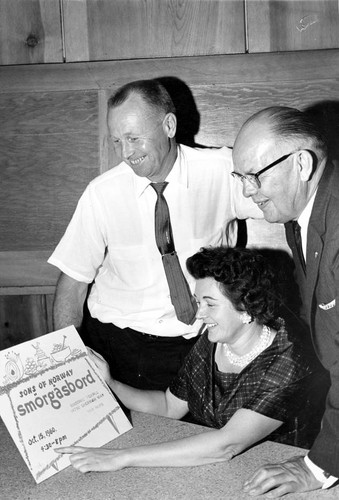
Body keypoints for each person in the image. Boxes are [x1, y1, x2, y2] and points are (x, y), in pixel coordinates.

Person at [48, 78, 260, 392]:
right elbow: (73, 283)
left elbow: (282, 203)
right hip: (116, 348)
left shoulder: (221, 172)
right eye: (117, 141)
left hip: (200, 346)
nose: (125, 153)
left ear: (169, 125)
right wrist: (68, 358)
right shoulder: (102, 193)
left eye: (134, 138)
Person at [56, 246, 317, 472]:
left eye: (210, 304)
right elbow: (169, 406)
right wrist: (109, 382)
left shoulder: (289, 360)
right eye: (197, 301)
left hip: (278, 471)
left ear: (247, 309)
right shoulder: (213, 340)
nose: (198, 314)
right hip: (217, 465)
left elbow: (226, 445)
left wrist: (120, 457)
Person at [232, 106, 339, 496]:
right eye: (240, 177)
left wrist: (319, 466)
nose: (246, 190)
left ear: (301, 164)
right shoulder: (305, 215)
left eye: (254, 175)